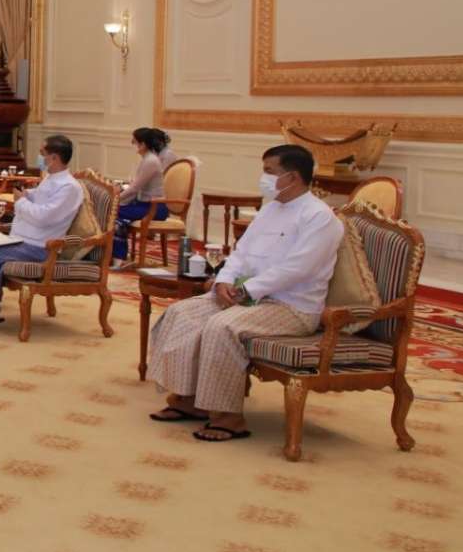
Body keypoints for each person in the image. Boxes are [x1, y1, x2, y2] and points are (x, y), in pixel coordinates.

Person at [147, 144, 342, 443]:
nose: (264, 178)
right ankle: (189, 399)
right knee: (181, 313)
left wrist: (247, 289)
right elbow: (241, 251)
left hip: (291, 306)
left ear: (292, 177)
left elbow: (298, 268)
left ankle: (228, 417)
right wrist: (224, 280)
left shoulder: (320, 217)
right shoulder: (271, 209)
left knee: (222, 327)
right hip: (245, 295)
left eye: (269, 172)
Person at [0, 134, 83, 331]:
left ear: (54, 158)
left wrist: (21, 201)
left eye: (42, 153)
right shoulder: (51, 179)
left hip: (39, 247)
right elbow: (38, 199)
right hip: (20, 239)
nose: (39, 158)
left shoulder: (69, 187)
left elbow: (44, 216)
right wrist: (27, 195)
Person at [114, 126, 169, 261]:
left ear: (143, 144)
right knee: (114, 210)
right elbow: (135, 186)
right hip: (144, 205)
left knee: (113, 212)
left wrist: (114, 199)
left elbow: (134, 188)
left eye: (134, 141)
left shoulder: (151, 161)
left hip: (155, 208)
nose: (132, 144)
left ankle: (118, 256)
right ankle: (114, 253)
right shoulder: (147, 159)